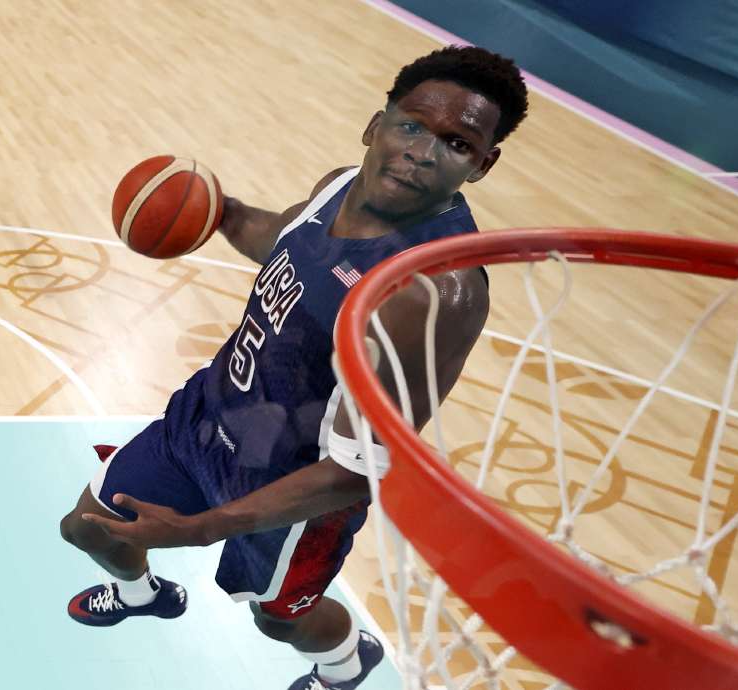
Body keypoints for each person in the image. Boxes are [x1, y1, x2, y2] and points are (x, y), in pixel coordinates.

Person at [59, 45, 529, 690]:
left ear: (482, 165)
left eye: (457, 143)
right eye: (413, 125)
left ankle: (344, 663)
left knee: (277, 621)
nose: (423, 150)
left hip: (297, 489)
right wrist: (219, 213)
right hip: (208, 418)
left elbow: (355, 472)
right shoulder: (338, 183)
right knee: (88, 528)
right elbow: (284, 239)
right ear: (376, 124)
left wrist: (200, 530)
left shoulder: (432, 292)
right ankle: (144, 596)